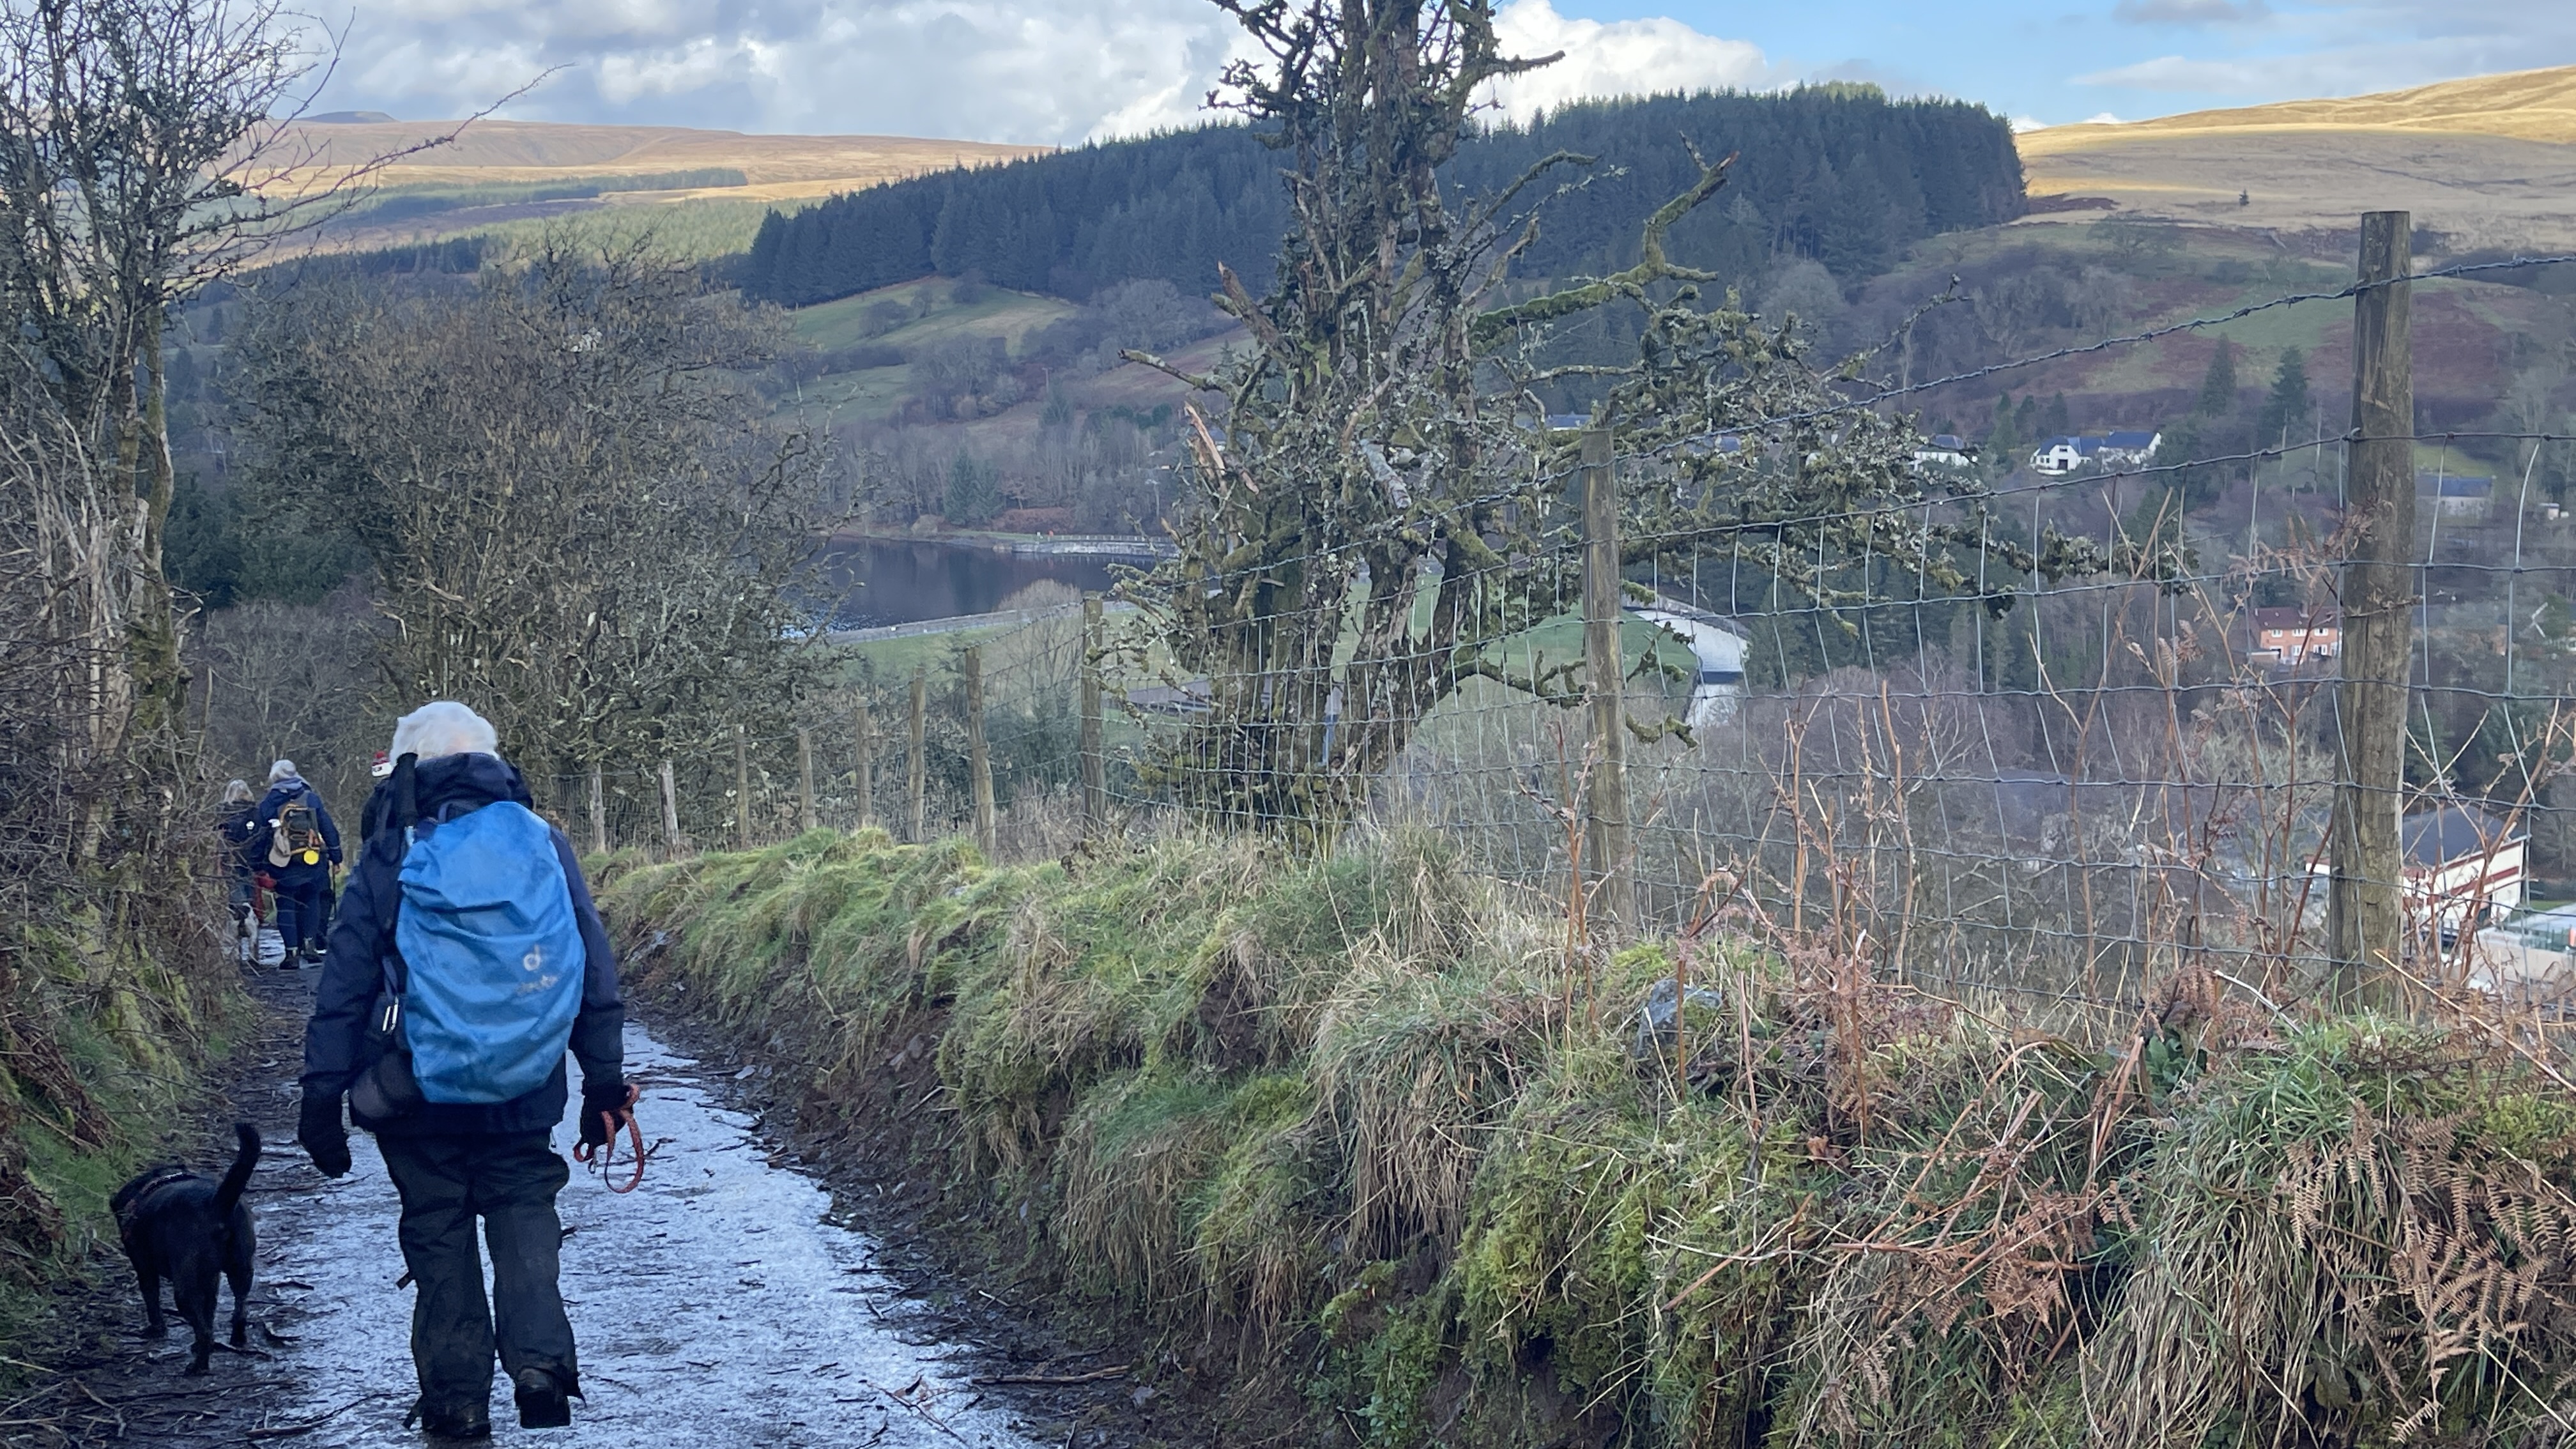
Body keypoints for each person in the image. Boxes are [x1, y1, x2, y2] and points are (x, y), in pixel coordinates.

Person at [296, 702, 628, 1439]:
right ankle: (540, 1367)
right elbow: (590, 965)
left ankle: (456, 1401)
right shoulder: (543, 842)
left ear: (410, 767)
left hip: (415, 1089)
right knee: (524, 1210)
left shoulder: (391, 851)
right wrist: (603, 1080)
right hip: (526, 1081)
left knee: (438, 1229)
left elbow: (345, 984)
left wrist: (322, 1096)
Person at [251, 760, 342, 969]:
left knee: (286, 905)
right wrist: (336, 856)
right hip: (312, 859)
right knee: (311, 900)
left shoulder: (269, 803)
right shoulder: (311, 798)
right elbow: (327, 828)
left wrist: (257, 864)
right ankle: (310, 946)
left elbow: (260, 836)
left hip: (282, 862)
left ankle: (291, 953)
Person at [217, 781, 263, 965]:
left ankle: (237, 951)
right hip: (250, 862)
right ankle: (253, 949)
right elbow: (261, 835)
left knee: (235, 902)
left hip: (230, 861)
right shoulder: (254, 811)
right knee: (250, 902)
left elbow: (217, 837)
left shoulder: (222, 811)